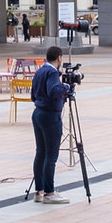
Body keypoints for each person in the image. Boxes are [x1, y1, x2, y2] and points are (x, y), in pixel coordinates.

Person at [30, 45, 72, 204]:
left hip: (38, 113)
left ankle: (39, 191)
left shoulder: (40, 71)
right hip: (50, 115)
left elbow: (33, 95)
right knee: (51, 155)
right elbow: (54, 91)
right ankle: (49, 193)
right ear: (59, 57)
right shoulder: (52, 72)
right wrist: (66, 87)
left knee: (40, 152)